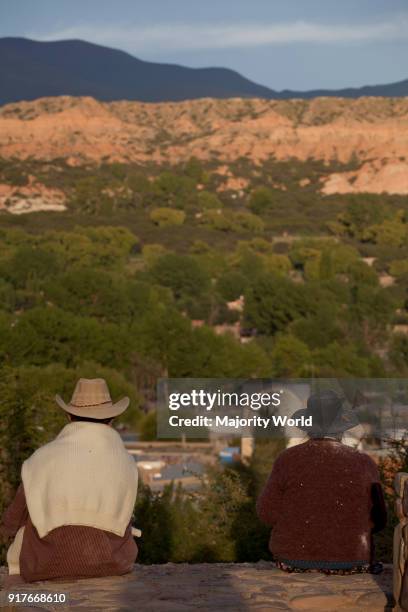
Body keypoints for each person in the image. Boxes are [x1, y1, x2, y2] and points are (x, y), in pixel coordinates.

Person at [0, 378, 139, 584]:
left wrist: (8, 532)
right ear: (112, 419)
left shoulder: (41, 457)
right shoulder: (127, 462)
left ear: (68, 416)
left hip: (44, 565)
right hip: (110, 564)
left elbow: (14, 518)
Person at [257, 389, 387, 574]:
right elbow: (380, 520)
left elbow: (266, 513)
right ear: (342, 428)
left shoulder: (287, 459)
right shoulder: (365, 463)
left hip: (294, 561)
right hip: (352, 561)